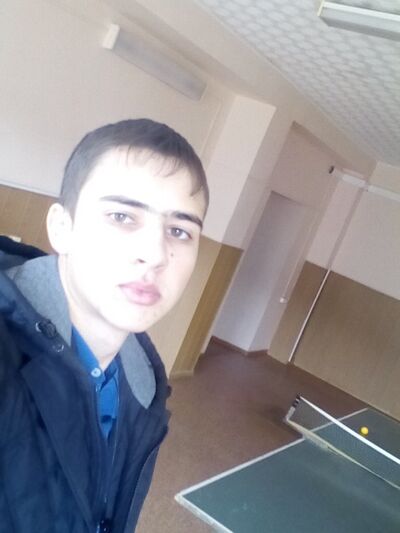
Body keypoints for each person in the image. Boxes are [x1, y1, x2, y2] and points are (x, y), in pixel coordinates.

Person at [0, 118, 209, 532]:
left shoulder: (144, 383)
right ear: (62, 228)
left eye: (179, 230)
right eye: (122, 216)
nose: (155, 254)